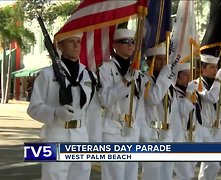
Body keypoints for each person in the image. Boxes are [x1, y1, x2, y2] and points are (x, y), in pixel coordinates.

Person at [27, 33, 100, 180]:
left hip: (81, 136)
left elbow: (93, 112)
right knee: (53, 176)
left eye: (78, 41)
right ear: (59, 46)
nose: (76, 45)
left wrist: (95, 142)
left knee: (81, 175)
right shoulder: (47, 74)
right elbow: (33, 108)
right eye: (71, 41)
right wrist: (55, 113)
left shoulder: (89, 76)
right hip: (55, 134)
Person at [98, 28, 146, 180]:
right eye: (125, 42)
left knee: (131, 174)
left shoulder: (137, 71)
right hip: (113, 128)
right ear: (115, 46)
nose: (130, 45)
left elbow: (140, 103)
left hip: (132, 128)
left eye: (132, 42)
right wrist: (125, 81)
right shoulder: (105, 68)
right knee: (114, 175)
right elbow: (105, 99)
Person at [140, 43, 177, 180]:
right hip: (150, 133)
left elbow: (173, 111)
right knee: (152, 173)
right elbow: (153, 99)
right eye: (159, 59)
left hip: (167, 133)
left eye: (164, 59)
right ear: (149, 61)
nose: (163, 63)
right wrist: (163, 77)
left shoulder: (167, 82)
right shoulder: (143, 79)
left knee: (166, 174)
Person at [196, 54, 221, 180]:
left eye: (216, 67)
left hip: (215, 130)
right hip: (202, 129)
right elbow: (211, 98)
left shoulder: (218, 88)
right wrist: (218, 80)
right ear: (202, 69)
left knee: (212, 165)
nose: (215, 71)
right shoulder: (197, 84)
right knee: (209, 164)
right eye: (211, 67)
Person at [171, 63, 200, 180]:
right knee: (185, 174)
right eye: (184, 75)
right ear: (177, 78)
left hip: (192, 136)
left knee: (189, 173)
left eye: (190, 74)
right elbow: (182, 111)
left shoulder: (192, 92)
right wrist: (188, 93)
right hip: (179, 137)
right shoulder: (174, 93)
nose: (188, 77)